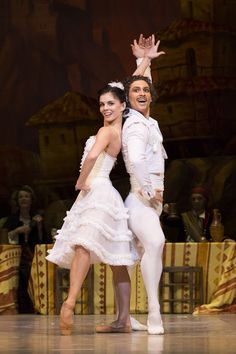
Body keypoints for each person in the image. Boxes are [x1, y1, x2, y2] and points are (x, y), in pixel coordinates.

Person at [46, 57, 152, 334]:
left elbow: (92, 156)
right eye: (102, 103)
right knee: (116, 260)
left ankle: (70, 303)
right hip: (100, 192)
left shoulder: (108, 131)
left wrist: (80, 182)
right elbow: (126, 86)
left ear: (122, 106)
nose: (105, 107)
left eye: (111, 103)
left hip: (98, 190)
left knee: (84, 246)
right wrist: (144, 63)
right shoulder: (116, 126)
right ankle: (123, 320)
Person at [121, 35, 167, 335]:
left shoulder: (149, 121)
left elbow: (142, 87)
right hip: (140, 199)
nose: (141, 93)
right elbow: (136, 161)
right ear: (127, 98)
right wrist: (150, 191)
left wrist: (145, 61)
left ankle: (125, 317)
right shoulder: (136, 124)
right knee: (156, 243)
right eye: (135, 91)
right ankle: (154, 312)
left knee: (130, 257)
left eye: (145, 91)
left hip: (149, 201)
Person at [3, 185, 45, 313]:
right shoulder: (12, 219)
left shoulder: (36, 218)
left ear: (31, 200)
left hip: (33, 256)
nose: (24, 199)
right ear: (17, 201)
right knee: (22, 273)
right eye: (21, 197)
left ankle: (36, 306)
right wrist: (17, 230)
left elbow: (43, 239)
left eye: (26, 196)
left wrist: (39, 226)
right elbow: (5, 238)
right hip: (17, 258)